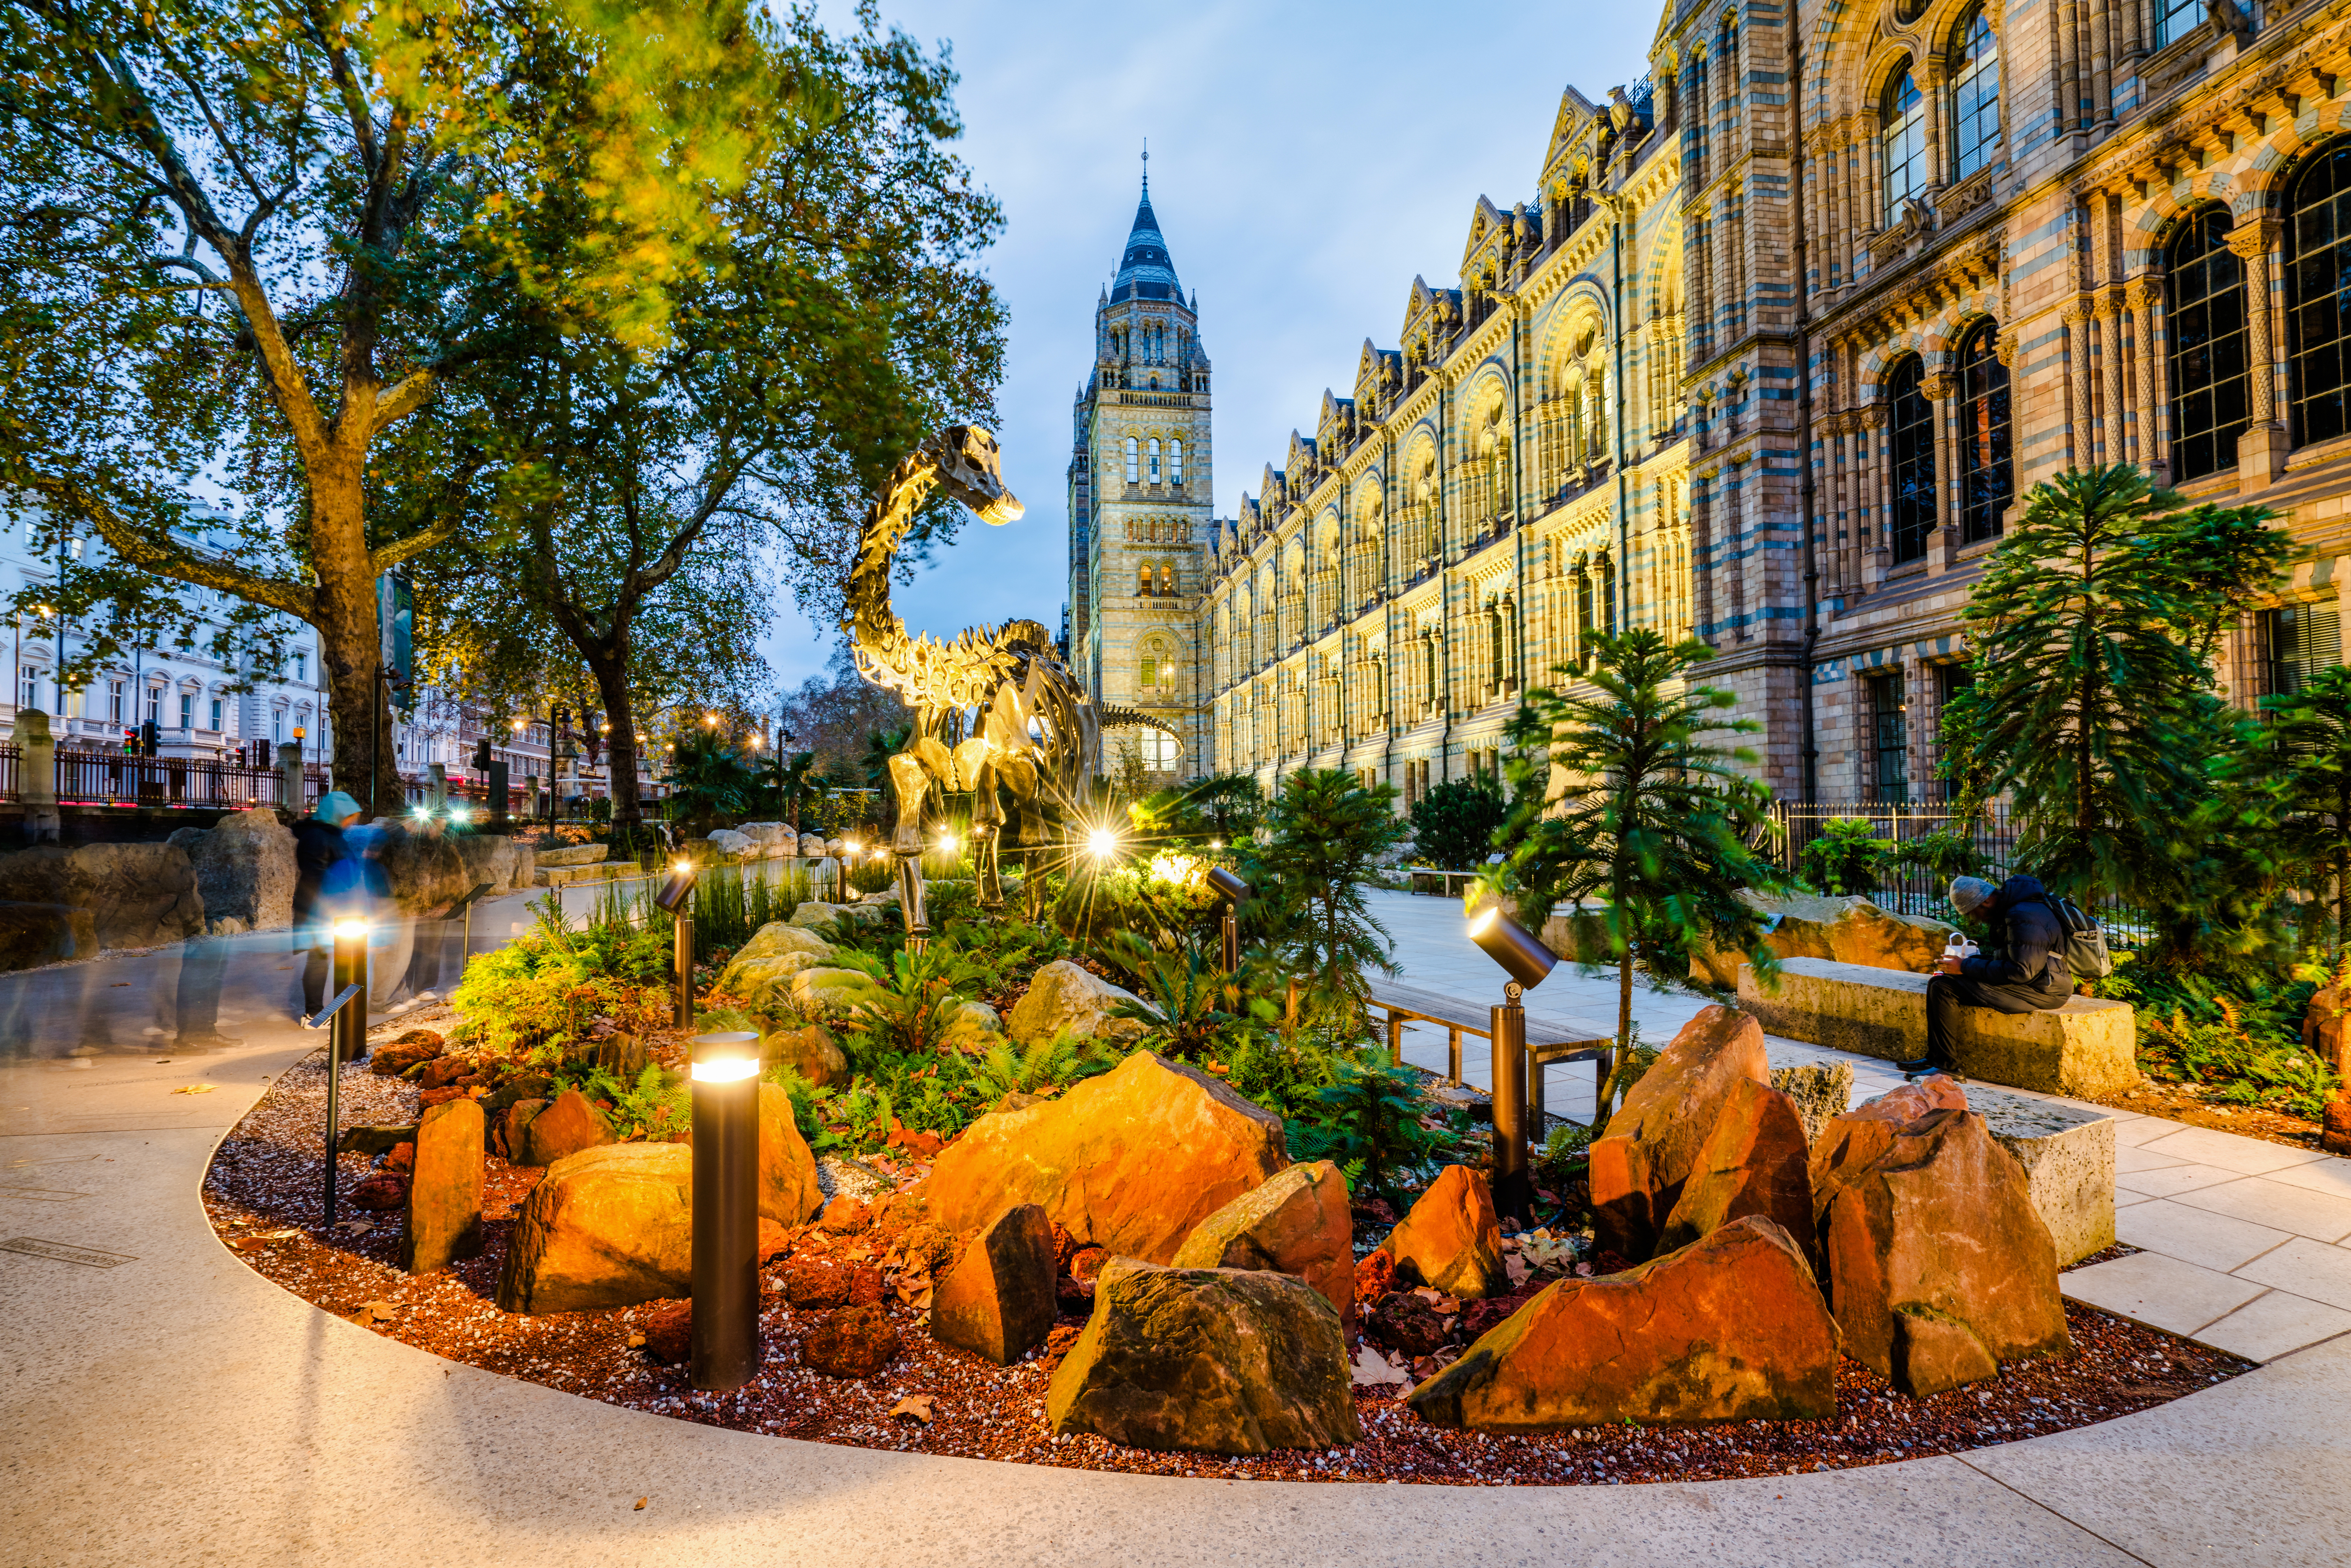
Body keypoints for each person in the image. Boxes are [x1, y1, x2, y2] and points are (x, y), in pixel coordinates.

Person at [1900, 873, 2073, 1080]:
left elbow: (2022, 970)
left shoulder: (2024, 915)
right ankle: (1936, 1058)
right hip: (2035, 982)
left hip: (2044, 990)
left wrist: (1965, 966)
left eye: (1974, 913)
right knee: (1939, 982)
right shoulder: (2016, 910)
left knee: (1944, 987)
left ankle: (1948, 1067)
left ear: (1987, 902)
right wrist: (1969, 962)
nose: (1975, 919)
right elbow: (2016, 959)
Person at [291, 792, 361, 1019]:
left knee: (324, 958)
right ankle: (313, 1014)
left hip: (332, 907)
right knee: (319, 958)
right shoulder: (318, 836)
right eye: (350, 816)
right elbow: (316, 876)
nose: (352, 821)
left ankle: (320, 1011)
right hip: (320, 909)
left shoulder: (331, 834)